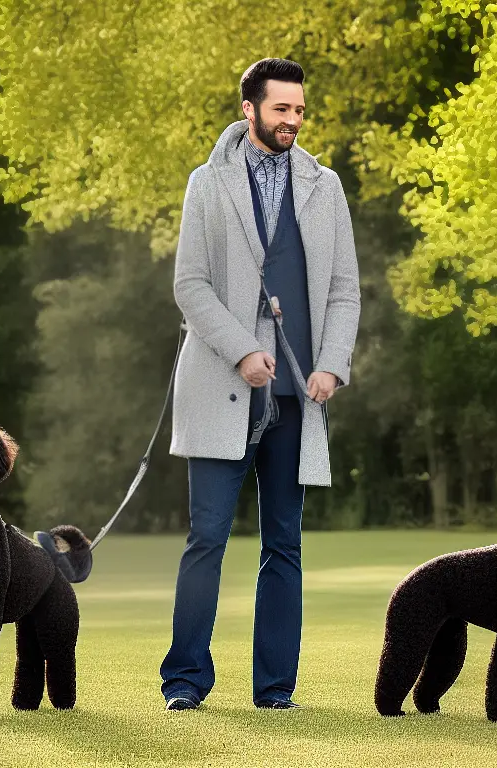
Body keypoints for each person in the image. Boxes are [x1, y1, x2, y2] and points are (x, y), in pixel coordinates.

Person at [160, 57, 361, 711]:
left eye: (300, 110)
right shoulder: (206, 184)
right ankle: (185, 682)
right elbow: (189, 284)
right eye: (282, 109)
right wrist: (244, 350)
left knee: (285, 542)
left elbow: (343, 291)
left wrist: (331, 363)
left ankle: (276, 689)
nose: (294, 121)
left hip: (298, 396)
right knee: (207, 538)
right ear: (249, 109)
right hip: (222, 385)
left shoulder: (324, 187)